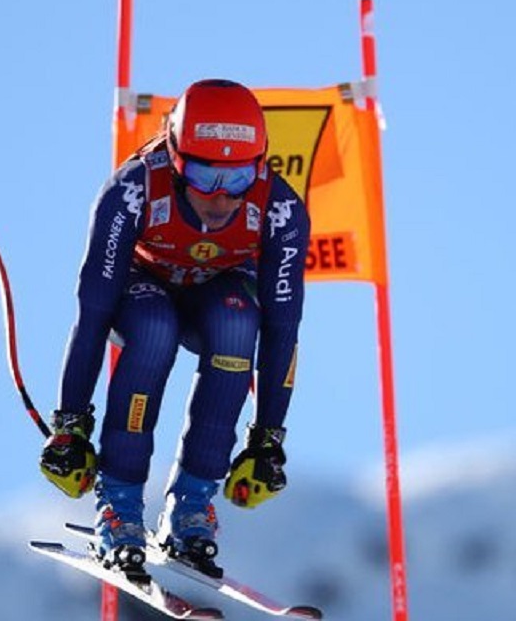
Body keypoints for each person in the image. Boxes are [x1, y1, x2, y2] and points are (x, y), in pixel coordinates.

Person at [38, 79, 311, 581]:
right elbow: (93, 316)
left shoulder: (280, 209)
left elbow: (282, 328)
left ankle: (191, 507)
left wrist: (267, 440)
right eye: (205, 176)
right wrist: (70, 426)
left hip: (217, 290)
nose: (220, 197)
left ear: (260, 165)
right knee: (154, 330)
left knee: (237, 326)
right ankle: (119, 506)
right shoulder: (132, 190)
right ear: (176, 157)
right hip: (142, 287)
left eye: (238, 178)